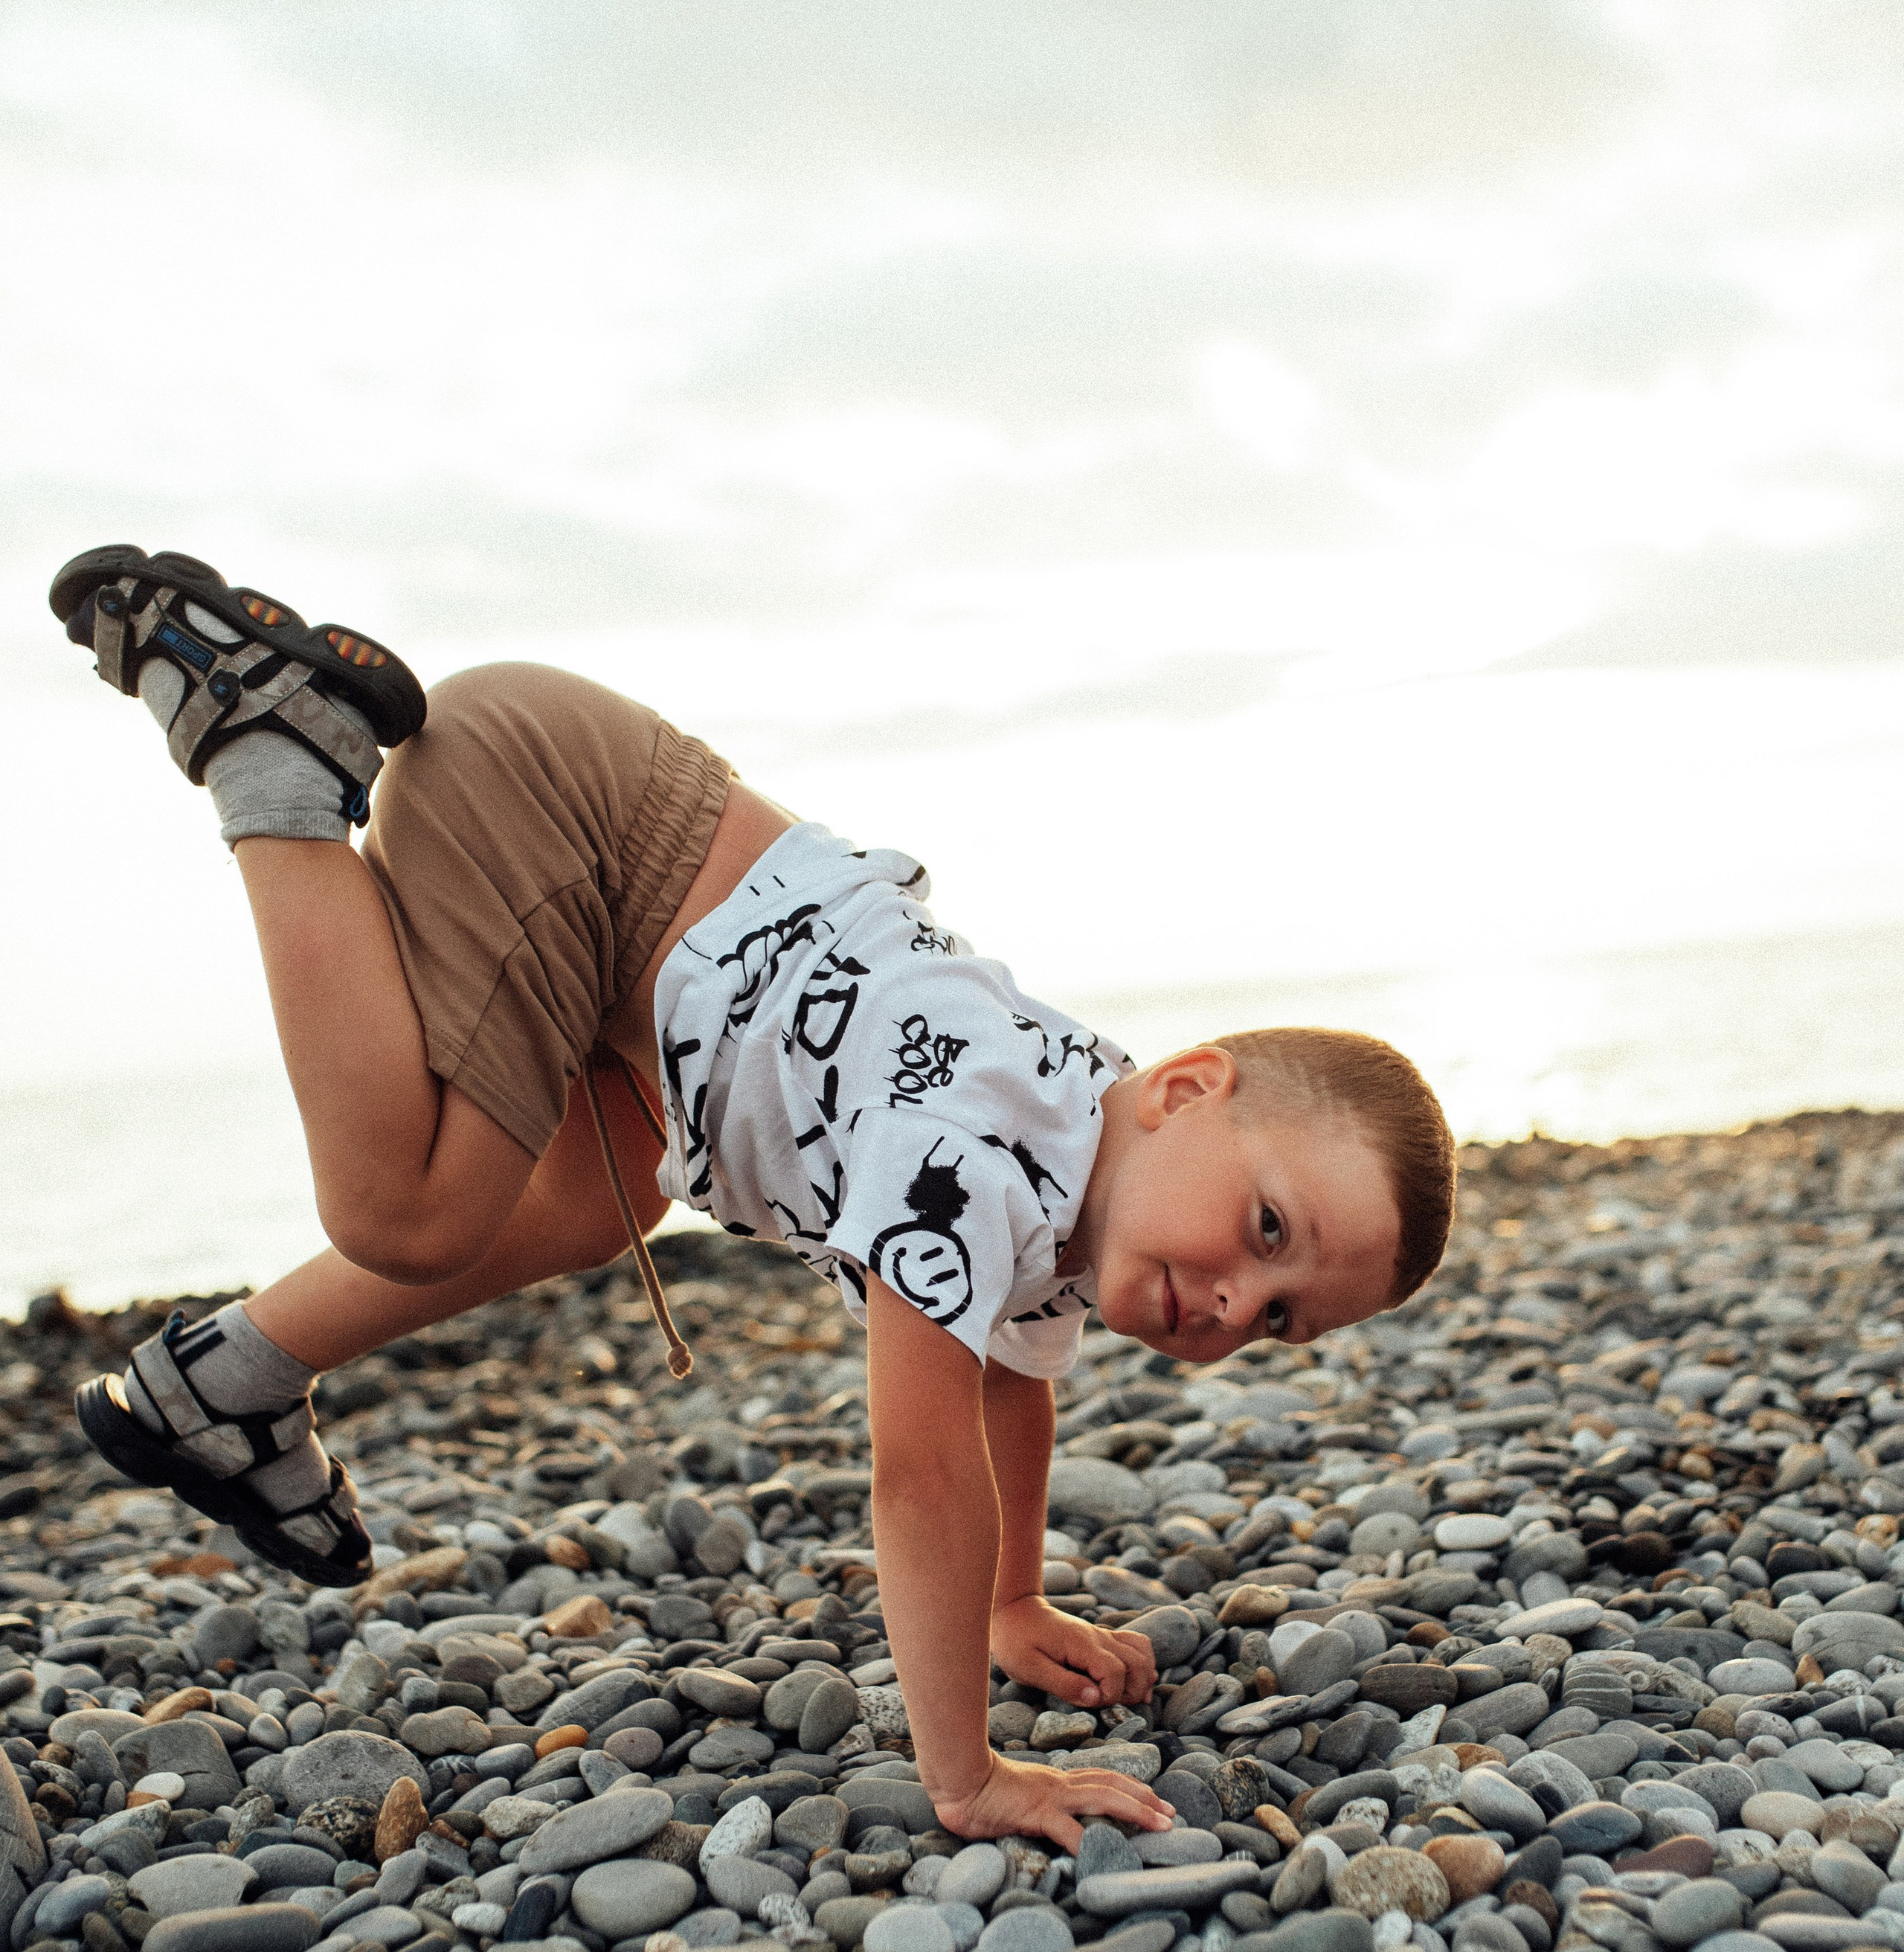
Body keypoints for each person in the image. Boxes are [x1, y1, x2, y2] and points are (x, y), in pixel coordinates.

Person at [48, 543, 1457, 1851]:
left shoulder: (1090, 1180)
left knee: (594, 1206)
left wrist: (1012, 1604)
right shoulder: (980, 1153)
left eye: (1275, 1321)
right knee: (408, 1209)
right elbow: (920, 1469)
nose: (1229, 1302)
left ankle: (220, 1383)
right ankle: (274, 755)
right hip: (571, 821)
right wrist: (965, 1776)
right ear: (1190, 1087)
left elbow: (1012, 1389)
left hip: (636, 953)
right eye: (1268, 1233)